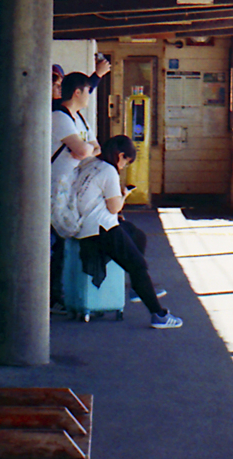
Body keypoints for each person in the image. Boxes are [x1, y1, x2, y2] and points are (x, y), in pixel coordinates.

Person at [70, 135, 181, 329]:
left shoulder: (90, 164)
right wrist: (124, 195)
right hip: (102, 230)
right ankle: (158, 314)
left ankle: (138, 289)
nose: (123, 166)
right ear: (120, 155)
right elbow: (114, 208)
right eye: (126, 162)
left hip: (88, 226)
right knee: (138, 265)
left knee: (137, 235)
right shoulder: (109, 171)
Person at [50, 72, 101, 309]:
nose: (90, 95)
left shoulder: (80, 119)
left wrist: (83, 149)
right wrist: (83, 150)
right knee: (54, 241)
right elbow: (83, 151)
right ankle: (51, 293)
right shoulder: (59, 117)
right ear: (77, 92)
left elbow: (95, 148)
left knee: (62, 241)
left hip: (70, 186)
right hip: (53, 186)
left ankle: (58, 291)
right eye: (88, 91)